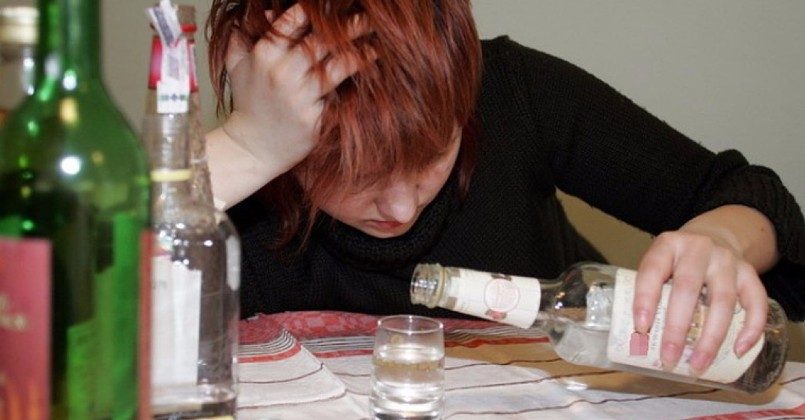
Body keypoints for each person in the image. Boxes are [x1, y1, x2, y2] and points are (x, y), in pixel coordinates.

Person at [205, 0, 804, 375]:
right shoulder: (228, 186)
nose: (401, 207)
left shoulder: (514, 94)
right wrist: (246, 151)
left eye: (431, 155)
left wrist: (723, 240)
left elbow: (752, 196)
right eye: (352, 173)